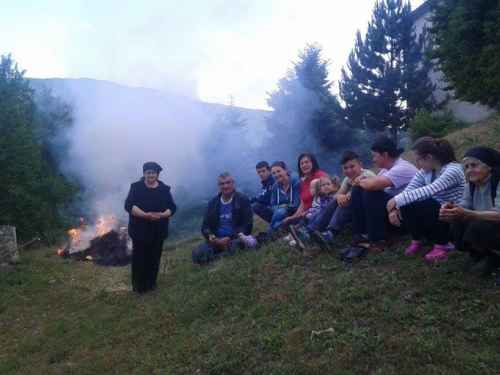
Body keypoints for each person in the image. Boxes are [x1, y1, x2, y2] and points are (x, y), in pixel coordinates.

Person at [387, 137, 465, 260]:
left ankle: (444, 243)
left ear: (429, 157)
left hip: (453, 219)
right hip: (436, 217)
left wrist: (398, 199)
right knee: (409, 200)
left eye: (418, 160)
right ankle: (418, 239)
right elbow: (409, 190)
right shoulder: (425, 172)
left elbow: (431, 190)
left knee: (421, 199)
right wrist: (395, 206)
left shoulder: (453, 170)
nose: (417, 164)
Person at [340, 137, 418, 261]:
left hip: (403, 220)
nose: (373, 160)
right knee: (357, 190)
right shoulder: (384, 171)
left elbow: (372, 185)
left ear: (385, 155)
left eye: (375, 156)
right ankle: (364, 236)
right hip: (391, 214)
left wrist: (361, 181)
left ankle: (379, 239)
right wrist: (361, 183)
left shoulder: (403, 168)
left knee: (369, 191)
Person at [439, 146, 500, 282]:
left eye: (474, 165)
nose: (469, 171)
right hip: (492, 228)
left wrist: (469, 214)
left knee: (476, 226)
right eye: (466, 167)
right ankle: (491, 258)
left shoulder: (498, 181)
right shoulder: (471, 185)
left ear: (489, 166)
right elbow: (464, 207)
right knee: (457, 225)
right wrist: (452, 210)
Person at [124, 162, 177, 295]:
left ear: (157, 174)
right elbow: (129, 206)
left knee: (154, 258)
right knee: (139, 258)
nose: (151, 175)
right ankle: (138, 288)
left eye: (153, 173)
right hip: (140, 230)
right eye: (148, 172)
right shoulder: (136, 187)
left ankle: (152, 283)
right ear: (144, 174)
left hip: (158, 230)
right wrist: (145, 215)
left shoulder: (164, 189)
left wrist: (164, 215)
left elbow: (172, 207)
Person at [312, 151, 377, 251]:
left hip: (371, 213)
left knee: (346, 200)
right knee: (336, 201)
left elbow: (354, 194)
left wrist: (343, 196)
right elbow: (337, 195)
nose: (349, 170)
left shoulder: (366, 174)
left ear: (360, 165)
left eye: (352, 166)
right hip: (358, 212)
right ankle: (311, 232)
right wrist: (339, 197)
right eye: (345, 168)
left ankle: (330, 233)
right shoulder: (348, 179)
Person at [191, 172, 253, 264]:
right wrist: (210, 236)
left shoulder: (242, 199)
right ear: (218, 185)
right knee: (197, 254)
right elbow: (205, 226)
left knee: (236, 246)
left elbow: (248, 225)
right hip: (216, 240)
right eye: (222, 183)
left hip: (235, 238)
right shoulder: (213, 203)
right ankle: (221, 255)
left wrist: (229, 238)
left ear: (233, 183)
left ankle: (213, 258)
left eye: (228, 182)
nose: (225, 186)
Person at [289, 174, 340, 249]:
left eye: (328, 184)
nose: (326, 186)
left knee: (315, 215)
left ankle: (305, 234)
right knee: (312, 214)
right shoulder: (322, 197)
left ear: (334, 186)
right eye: (323, 185)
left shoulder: (334, 196)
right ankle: (303, 233)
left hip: (330, 218)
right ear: (320, 188)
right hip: (322, 217)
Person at [282, 153, 327, 225]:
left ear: (313, 163)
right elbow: (302, 206)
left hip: (318, 213)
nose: (304, 165)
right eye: (301, 163)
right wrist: (292, 217)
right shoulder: (303, 183)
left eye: (307, 162)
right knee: (283, 223)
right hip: (305, 215)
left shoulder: (321, 176)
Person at [268, 161, 302, 232]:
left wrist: (284, 206)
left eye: (278, 171)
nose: (276, 174)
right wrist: (280, 207)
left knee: (281, 213)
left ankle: (268, 233)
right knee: (280, 213)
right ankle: (280, 228)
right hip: (282, 213)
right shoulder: (275, 186)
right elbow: (272, 205)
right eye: (273, 173)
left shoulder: (297, 181)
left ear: (285, 170)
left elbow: (296, 205)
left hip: (297, 212)